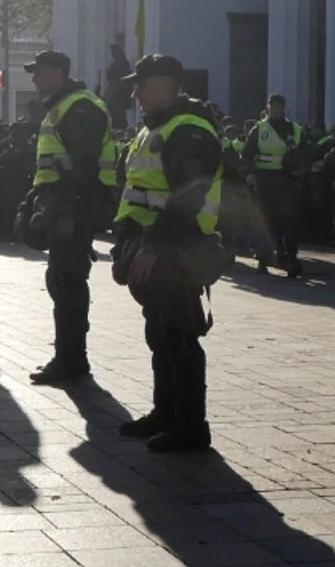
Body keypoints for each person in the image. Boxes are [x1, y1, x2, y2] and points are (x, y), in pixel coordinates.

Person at [110, 54, 225, 454]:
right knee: (160, 333)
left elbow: (189, 196)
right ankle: (166, 413)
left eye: (141, 84)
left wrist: (154, 247)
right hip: (152, 247)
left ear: (164, 83)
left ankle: (192, 426)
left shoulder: (188, 130)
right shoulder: (155, 129)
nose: (134, 92)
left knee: (180, 337)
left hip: (177, 249)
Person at [20, 50, 116, 385]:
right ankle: (70, 355)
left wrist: (70, 213)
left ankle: (72, 360)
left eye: (39, 72)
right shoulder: (63, 106)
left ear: (58, 73)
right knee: (61, 280)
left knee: (67, 282)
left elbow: (85, 167)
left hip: (74, 205)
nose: (34, 79)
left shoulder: (80, 107)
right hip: (62, 203)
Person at [241, 94, 304, 276]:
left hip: (286, 178)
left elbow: (306, 152)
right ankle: (264, 256)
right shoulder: (259, 129)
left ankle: (290, 255)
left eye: (278, 106)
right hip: (264, 178)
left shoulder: (295, 129)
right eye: (272, 106)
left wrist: (302, 168)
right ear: (267, 107)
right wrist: (249, 174)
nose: (275, 109)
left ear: (284, 108)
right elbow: (246, 156)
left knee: (289, 218)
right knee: (266, 218)